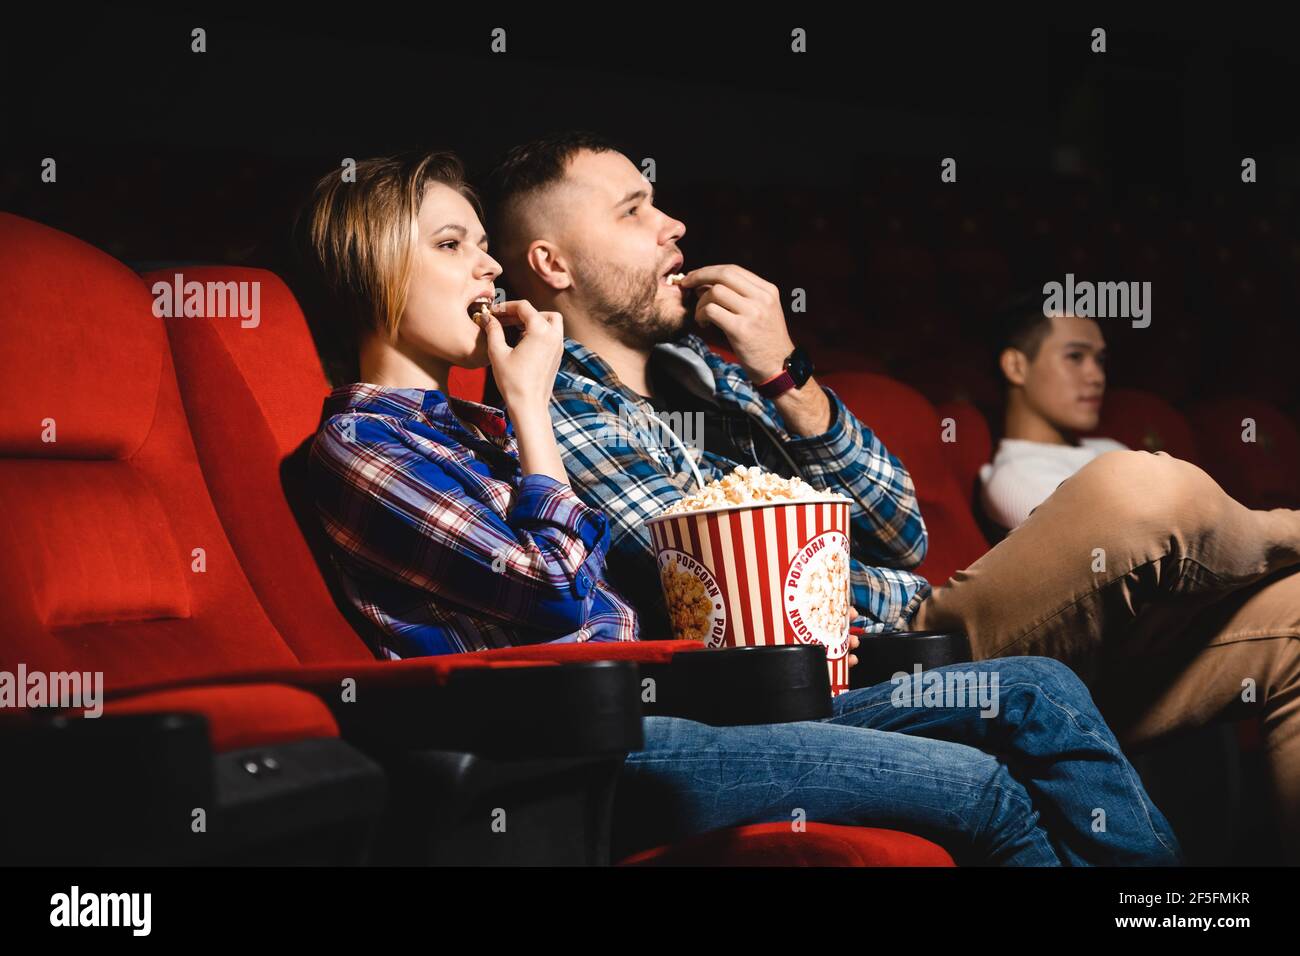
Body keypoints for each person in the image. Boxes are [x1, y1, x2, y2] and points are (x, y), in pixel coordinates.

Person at [293, 149, 1179, 866]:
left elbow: (896, 531)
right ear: (371, 269)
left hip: (674, 700)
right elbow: (559, 593)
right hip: (574, 746)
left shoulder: (486, 424)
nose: (485, 264)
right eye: (452, 245)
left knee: (1038, 692)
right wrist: (531, 410)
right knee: (984, 789)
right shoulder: (367, 444)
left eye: (483, 242)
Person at [485, 131, 1300, 860]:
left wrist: (787, 376)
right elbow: (726, 589)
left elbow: (900, 529)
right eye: (634, 211)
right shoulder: (553, 404)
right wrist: (891, 590)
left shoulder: (713, 373)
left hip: (932, 644)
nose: (674, 226)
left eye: (658, 204)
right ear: (553, 264)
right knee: (1135, 491)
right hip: (876, 665)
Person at [979, 294, 1125, 531]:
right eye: (1075, 356)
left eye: (1099, 360)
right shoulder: (1018, 477)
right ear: (1016, 367)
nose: (1097, 376)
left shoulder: (1109, 447)